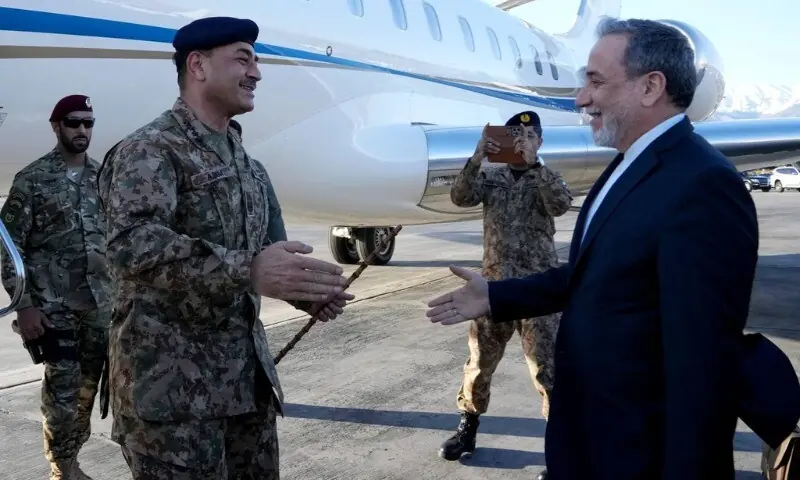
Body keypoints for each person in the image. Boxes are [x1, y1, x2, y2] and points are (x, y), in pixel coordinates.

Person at [426, 18, 759, 479]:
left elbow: (703, 367)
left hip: (633, 453)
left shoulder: (704, 184)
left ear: (650, 87)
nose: (581, 98)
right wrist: (496, 296)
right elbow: (593, 273)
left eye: (595, 82)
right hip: (594, 444)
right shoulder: (629, 166)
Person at [97, 17, 353, 479]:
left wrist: (304, 289)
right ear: (197, 65)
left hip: (245, 389)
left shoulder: (248, 165)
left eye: (255, 60)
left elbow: (266, 253)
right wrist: (249, 270)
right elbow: (130, 245)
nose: (256, 72)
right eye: (242, 58)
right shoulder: (150, 149)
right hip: (173, 400)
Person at [440, 111, 571, 475]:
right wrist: (478, 154)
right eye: (515, 133)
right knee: (479, 364)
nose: (521, 140)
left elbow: (559, 204)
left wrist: (536, 165)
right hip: (493, 289)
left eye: (529, 135)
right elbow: (460, 196)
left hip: (537, 291)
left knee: (548, 369)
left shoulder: (548, 177)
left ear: (540, 142)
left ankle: (559, 448)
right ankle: (467, 429)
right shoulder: (492, 176)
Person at [1, 94, 110, 480]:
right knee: (62, 392)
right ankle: (61, 468)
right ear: (56, 126)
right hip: (52, 308)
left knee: (86, 393)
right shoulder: (33, 180)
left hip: (100, 306)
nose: (82, 130)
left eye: (88, 123)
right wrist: (24, 305)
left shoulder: (103, 177)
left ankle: (72, 460)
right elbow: (9, 246)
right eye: (73, 122)